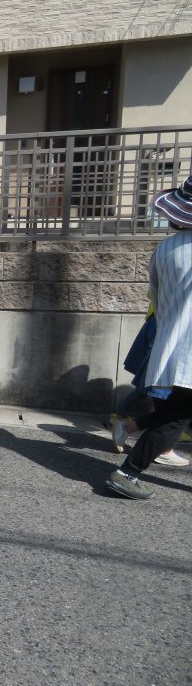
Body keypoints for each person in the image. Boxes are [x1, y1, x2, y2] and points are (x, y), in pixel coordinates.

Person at [105, 175, 192, 500]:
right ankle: (126, 472)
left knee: (176, 413)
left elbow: (155, 298)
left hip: (168, 344)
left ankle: (130, 428)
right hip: (188, 352)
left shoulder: (165, 248)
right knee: (175, 419)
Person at [111, 302, 189, 467]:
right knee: (173, 408)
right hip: (170, 325)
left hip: (167, 322)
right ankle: (129, 471)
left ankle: (129, 430)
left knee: (174, 409)